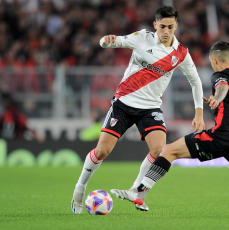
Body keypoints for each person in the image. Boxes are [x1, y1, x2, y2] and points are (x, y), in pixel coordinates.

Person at [110, 41, 229, 218]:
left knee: (168, 151)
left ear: (215, 60)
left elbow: (222, 87)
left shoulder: (220, 76)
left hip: (220, 137)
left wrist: (217, 98)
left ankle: (140, 193)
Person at [71, 6, 204, 214]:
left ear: (176, 26)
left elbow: (195, 81)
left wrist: (199, 112)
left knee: (159, 150)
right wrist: (106, 41)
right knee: (102, 151)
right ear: (155, 25)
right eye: (162, 27)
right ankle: (80, 188)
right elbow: (117, 41)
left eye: (170, 26)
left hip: (150, 107)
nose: (166, 31)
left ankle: (136, 190)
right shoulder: (143, 38)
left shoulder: (181, 53)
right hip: (123, 103)